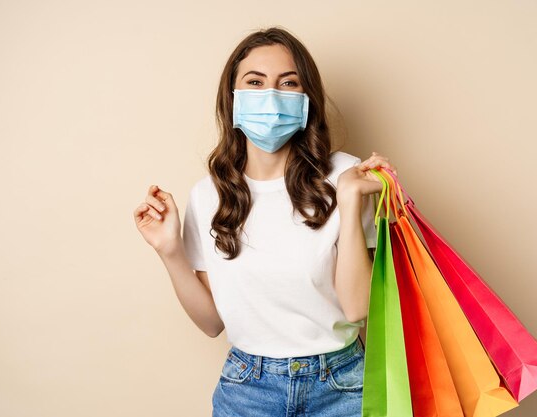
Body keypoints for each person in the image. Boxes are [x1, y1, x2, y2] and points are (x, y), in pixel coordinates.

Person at [133, 27, 396, 417]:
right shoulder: (209, 195)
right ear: (233, 98)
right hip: (247, 389)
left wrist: (348, 196)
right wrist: (170, 251)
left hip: (342, 385)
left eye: (288, 83)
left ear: (307, 99)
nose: (270, 96)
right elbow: (211, 324)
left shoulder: (347, 175)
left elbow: (357, 307)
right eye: (254, 82)